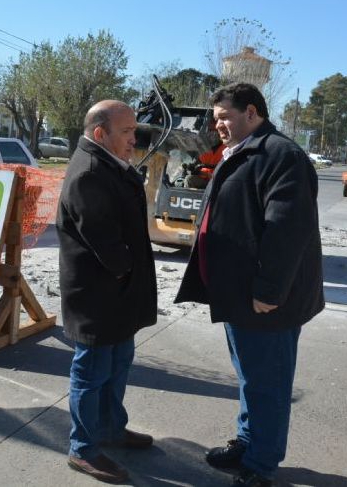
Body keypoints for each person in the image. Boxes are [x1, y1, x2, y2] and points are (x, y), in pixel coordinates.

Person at [175, 83, 324, 487]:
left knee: (268, 383)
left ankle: (261, 465)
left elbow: (287, 232)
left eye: (224, 116)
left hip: (264, 301)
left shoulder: (281, 156)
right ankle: (248, 441)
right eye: (216, 117)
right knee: (250, 377)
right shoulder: (241, 152)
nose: (217, 124)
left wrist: (268, 291)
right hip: (238, 295)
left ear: (252, 113)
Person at [56, 99, 158, 483]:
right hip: (98, 297)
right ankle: (83, 450)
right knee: (93, 371)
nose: (135, 138)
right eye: (128, 131)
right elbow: (105, 241)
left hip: (118, 294)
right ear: (100, 134)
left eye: (134, 130)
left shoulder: (109, 164)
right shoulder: (88, 173)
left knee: (117, 365)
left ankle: (111, 429)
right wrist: (126, 271)